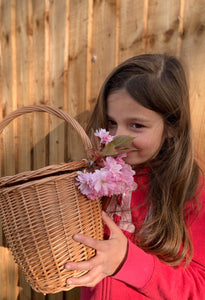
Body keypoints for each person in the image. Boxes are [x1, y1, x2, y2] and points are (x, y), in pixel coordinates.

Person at [65, 54, 205, 299]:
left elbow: (199, 287)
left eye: (136, 125)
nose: (117, 139)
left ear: (171, 127)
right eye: (111, 123)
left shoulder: (189, 190)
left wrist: (127, 261)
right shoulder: (97, 176)